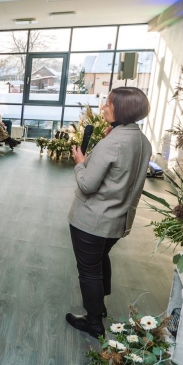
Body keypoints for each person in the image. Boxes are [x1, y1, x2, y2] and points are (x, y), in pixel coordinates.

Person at [65, 88, 153, 338]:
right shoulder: (141, 141)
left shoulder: (112, 142)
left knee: (89, 270)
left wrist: (80, 164)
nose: (103, 107)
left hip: (92, 220)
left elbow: (87, 184)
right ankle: (99, 307)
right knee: (100, 260)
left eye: (109, 104)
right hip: (118, 220)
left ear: (122, 109)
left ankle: (93, 322)